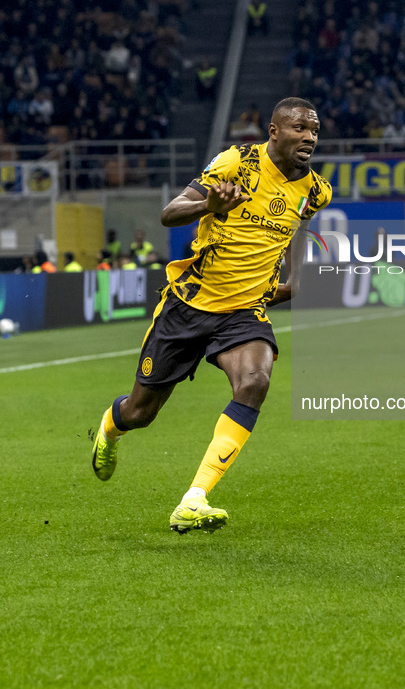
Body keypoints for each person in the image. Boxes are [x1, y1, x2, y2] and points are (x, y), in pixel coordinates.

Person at [91, 97, 331, 534]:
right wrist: (209, 207)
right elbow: (169, 214)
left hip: (242, 313)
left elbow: (296, 235)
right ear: (274, 131)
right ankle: (110, 428)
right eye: (299, 128)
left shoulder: (315, 190)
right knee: (140, 412)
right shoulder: (236, 163)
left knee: (255, 381)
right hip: (190, 306)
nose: (309, 137)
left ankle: (194, 498)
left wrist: (293, 285)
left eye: (314, 130)